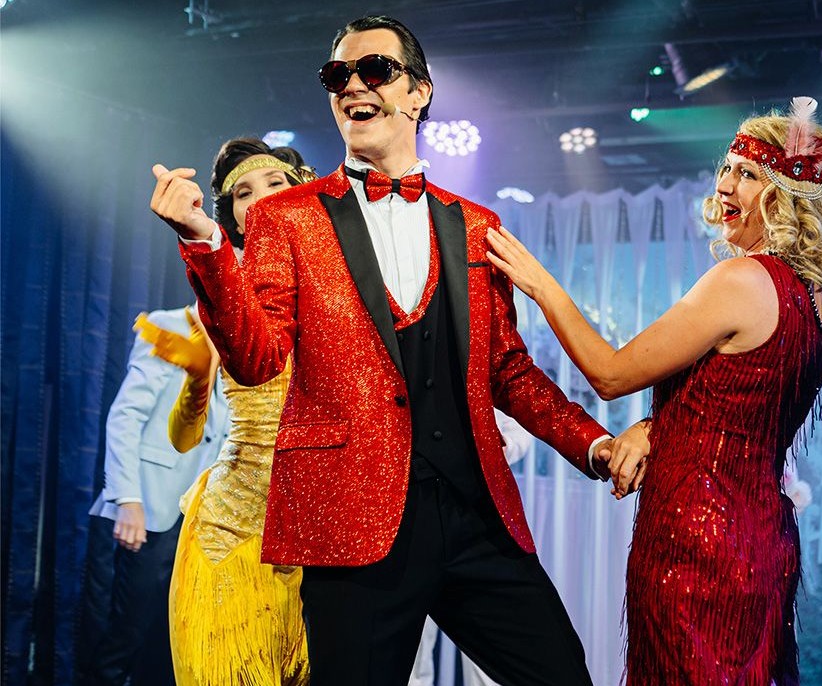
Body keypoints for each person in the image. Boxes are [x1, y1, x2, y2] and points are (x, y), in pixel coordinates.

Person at [149, 14, 611, 686]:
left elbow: (506, 371)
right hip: (351, 526)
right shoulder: (286, 218)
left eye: (375, 70)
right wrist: (202, 241)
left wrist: (595, 445)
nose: (353, 85)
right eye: (338, 75)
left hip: (475, 518)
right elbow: (257, 359)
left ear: (419, 92)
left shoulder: (476, 224)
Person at [486, 96, 822, 684]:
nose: (725, 185)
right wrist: (654, 428)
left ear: (785, 195)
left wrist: (542, 286)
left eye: (748, 174)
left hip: (696, 540)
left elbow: (610, 375)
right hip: (765, 539)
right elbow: (738, 406)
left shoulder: (741, 279)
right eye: (727, 168)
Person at [135, 138, 315, 685]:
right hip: (230, 536)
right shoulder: (222, 292)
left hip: (321, 540)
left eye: (276, 184)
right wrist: (197, 378)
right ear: (231, 216)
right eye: (244, 193)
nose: (261, 199)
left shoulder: (342, 288)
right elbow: (182, 440)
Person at [82, 307, 230, 686]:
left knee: (172, 644)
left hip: (203, 517)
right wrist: (128, 500)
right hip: (153, 506)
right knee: (126, 635)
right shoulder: (168, 326)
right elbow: (126, 414)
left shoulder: (241, 344)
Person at [409, 410, 533, 686]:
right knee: (412, 649)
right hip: (409, 515)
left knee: (494, 642)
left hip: (480, 515)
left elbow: (517, 428)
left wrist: (493, 448)